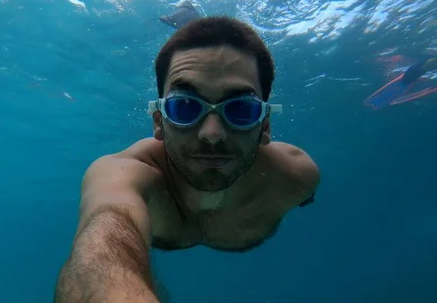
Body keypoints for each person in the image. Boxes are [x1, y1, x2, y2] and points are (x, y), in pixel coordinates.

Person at [53, 16, 321, 303]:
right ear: (158, 121)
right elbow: (97, 263)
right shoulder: (124, 173)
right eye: (184, 107)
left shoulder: (296, 176)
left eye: (242, 110)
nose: (212, 134)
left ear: (265, 126)